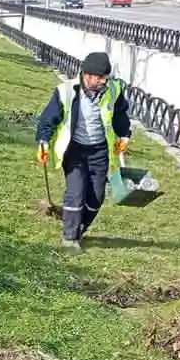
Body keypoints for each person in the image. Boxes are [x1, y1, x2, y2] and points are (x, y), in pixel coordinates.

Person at [36, 51, 132, 250]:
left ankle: (80, 227)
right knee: (75, 192)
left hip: (100, 151)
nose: (104, 82)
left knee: (96, 197)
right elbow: (48, 118)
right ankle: (69, 238)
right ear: (87, 75)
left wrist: (125, 135)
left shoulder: (113, 90)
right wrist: (43, 141)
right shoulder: (66, 91)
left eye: (106, 78)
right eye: (100, 78)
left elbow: (120, 115)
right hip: (75, 151)